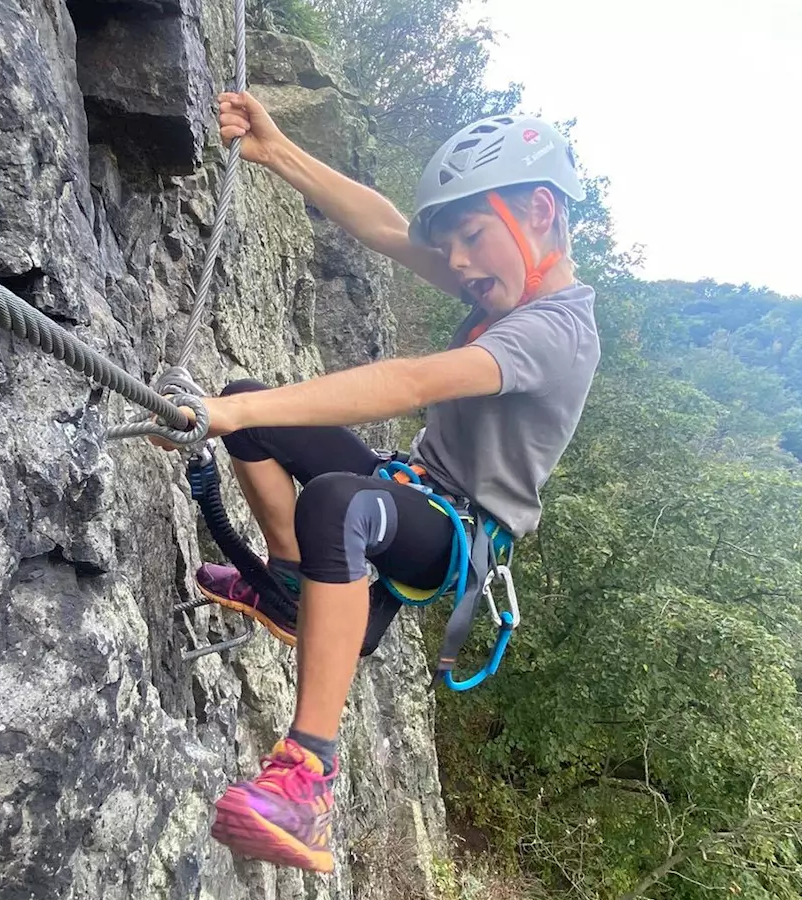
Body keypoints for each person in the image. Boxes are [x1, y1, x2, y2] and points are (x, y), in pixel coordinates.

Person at [156, 90, 601, 873]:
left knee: (338, 500)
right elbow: (386, 227)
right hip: (413, 488)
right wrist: (277, 149)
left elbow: (409, 383)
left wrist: (230, 421)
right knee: (246, 410)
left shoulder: (555, 331)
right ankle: (292, 583)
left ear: (539, 211)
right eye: (454, 244)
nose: (458, 261)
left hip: (457, 537)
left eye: (472, 236)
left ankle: (307, 777)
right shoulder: (499, 286)